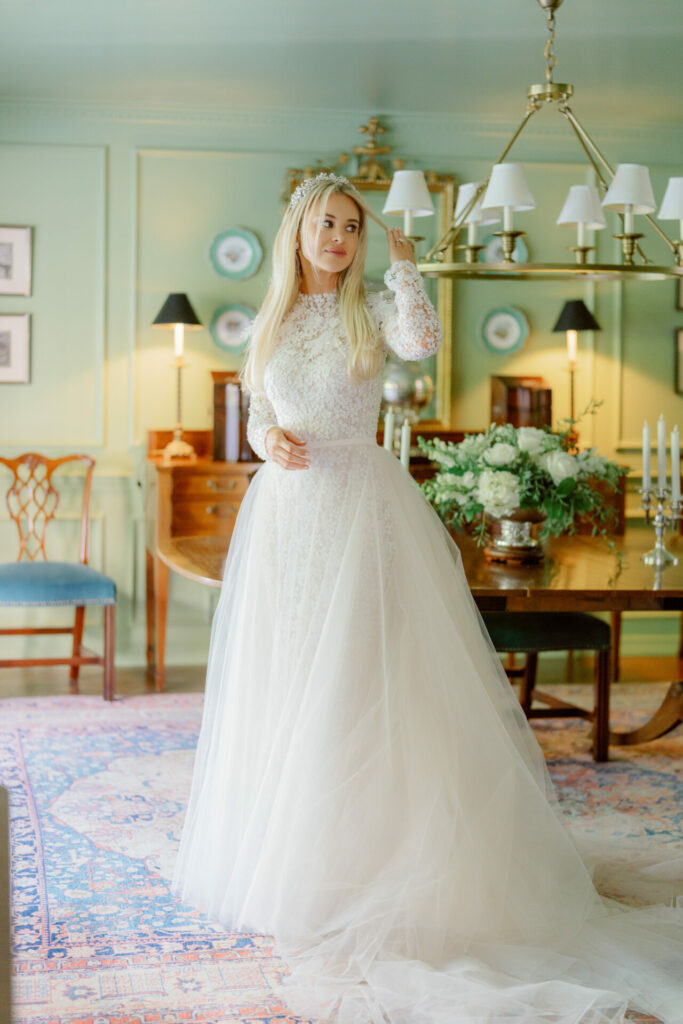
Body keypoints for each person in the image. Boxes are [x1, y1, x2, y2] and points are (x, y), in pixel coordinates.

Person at [172, 173, 683, 1024]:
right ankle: (295, 862)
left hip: (359, 508)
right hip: (287, 520)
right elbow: (259, 404)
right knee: (288, 679)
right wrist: (267, 438)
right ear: (297, 231)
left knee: (361, 680)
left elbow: (421, 340)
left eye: (350, 226)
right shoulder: (272, 318)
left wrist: (406, 264)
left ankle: (374, 866)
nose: (337, 238)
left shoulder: (371, 309)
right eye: (325, 223)